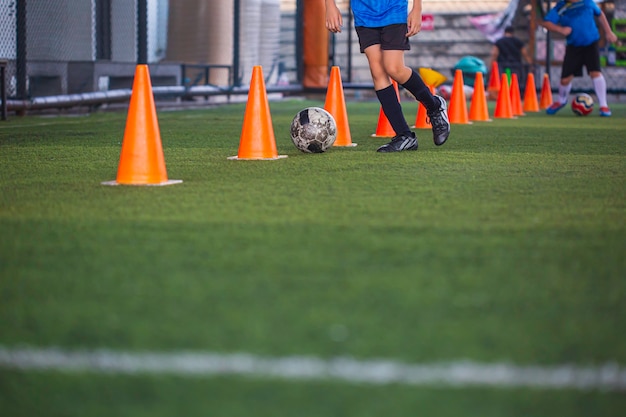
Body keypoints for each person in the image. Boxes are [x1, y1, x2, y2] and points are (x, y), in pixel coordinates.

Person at [324, 0, 450, 152]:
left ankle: (434, 106)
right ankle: (404, 136)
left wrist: (417, 8)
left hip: (394, 9)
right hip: (363, 12)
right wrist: (330, 5)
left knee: (394, 68)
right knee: (377, 72)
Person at [539, 0, 618, 117]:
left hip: (591, 43)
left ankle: (603, 105)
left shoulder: (587, 2)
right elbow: (547, 23)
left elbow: (600, 14)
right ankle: (561, 100)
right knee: (565, 80)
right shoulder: (562, 6)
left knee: (595, 73)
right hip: (574, 46)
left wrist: (608, 32)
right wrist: (561, 30)